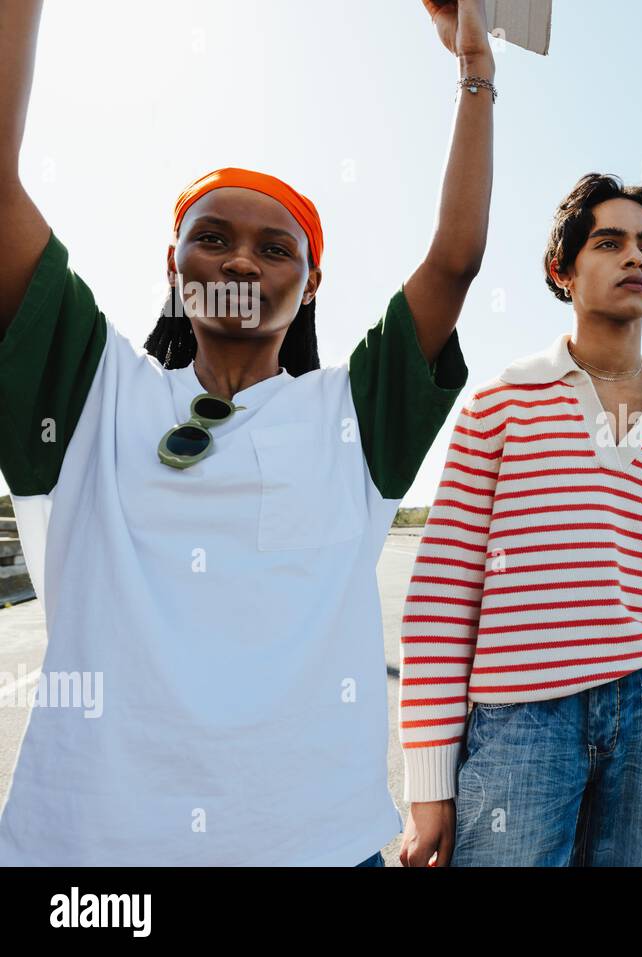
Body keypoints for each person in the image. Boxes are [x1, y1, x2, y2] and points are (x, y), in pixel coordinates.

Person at [0, 0, 491, 865]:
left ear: (312, 283)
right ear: (171, 264)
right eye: (213, 237)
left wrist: (474, 72)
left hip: (320, 847)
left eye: (275, 250)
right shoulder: (92, 387)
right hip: (93, 859)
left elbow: (455, 259)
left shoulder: (355, 415)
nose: (239, 261)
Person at [396, 173, 642, 868]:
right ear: (563, 269)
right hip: (520, 720)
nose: (635, 257)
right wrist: (429, 781)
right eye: (609, 242)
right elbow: (442, 594)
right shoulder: (502, 403)